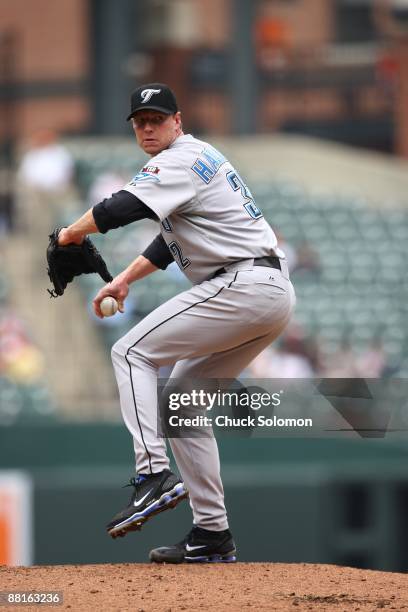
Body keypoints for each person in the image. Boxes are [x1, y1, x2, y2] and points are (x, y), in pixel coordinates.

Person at [56, 83, 296, 564]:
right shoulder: (196, 158)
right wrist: (124, 279)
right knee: (182, 404)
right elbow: (169, 243)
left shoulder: (179, 159)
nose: (148, 127)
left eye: (157, 118)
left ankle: (152, 475)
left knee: (130, 351)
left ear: (177, 121)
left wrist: (67, 234)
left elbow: (118, 210)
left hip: (244, 285)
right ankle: (213, 534)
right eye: (140, 121)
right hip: (266, 292)